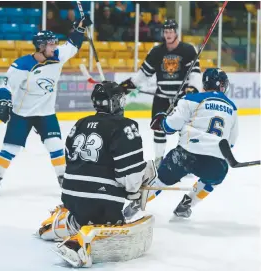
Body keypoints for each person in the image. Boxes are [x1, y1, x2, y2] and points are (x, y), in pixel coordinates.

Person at [37, 81, 157, 267]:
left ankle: (64, 222)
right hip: (102, 201)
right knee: (147, 169)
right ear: (116, 102)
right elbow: (130, 176)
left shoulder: (80, 123)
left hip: (70, 195)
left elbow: (72, 162)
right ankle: (80, 241)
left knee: (83, 212)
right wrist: (135, 191)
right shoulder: (125, 126)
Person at [0, 17, 93, 197]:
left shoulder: (57, 57)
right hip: (22, 114)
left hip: (46, 113)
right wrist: (4, 102)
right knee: (10, 149)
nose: (55, 47)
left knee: (56, 146)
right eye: (51, 44)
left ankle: (62, 178)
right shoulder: (22, 65)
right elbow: (6, 86)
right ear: (41, 46)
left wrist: (80, 27)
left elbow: (73, 44)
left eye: (55, 44)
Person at [138, 68, 238, 219]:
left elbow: (171, 125)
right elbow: (231, 142)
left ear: (205, 83)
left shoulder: (191, 99)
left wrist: (162, 122)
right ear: (222, 85)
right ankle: (187, 204)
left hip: (186, 154)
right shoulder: (232, 108)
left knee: (161, 180)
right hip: (216, 162)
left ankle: (137, 204)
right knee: (214, 178)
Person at [120, 19, 202, 167]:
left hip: (181, 100)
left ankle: (182, 162)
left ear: (176, 32)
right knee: (158, 129)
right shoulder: (157, 52)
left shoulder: (188, 50)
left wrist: (193, 89)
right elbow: (143, 75)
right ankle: (159, 161)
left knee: (184, 131)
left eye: (171, 31)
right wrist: (124, 88)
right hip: (161, 98)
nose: (168, 34)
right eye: (166, 31)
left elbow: (195, 74)